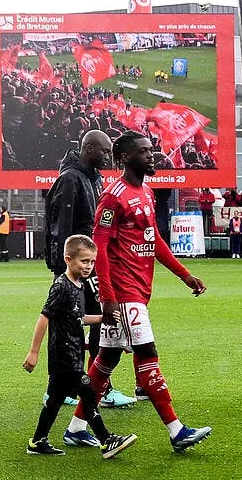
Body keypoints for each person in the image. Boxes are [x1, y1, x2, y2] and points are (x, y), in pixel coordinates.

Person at [65, 131, 212, 453]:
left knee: (106, 359)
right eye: (144, 152)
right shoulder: (113, 196)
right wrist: (107, 296)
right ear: (126, 157)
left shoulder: (145, 191)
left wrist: (184, 275)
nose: (152, 156)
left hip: (138, 289)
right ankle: (176, 430)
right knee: (147, 354)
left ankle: (76, 427)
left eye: (151, 150)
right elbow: (99, 248)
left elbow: (154, 239)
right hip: (122, 292)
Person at [43, 130, 134, 413]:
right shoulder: (71, 179)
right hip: (77, 268)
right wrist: (65, 271)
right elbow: (61, 227)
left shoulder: (92, 177)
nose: (108, 157)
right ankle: (94, 388)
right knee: (81, 324)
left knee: (83, 324)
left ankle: (70, 387)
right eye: (104, 152)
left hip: (88, 265)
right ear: (89, 149)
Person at [22, 234, 136, 458]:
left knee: (55, 400)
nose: (89, 266)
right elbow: (44, 317)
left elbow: (78, 318)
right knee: (88, 390)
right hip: (63, 354)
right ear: (68, 260)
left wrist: (103, 318)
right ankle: (106, 440)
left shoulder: (79, 285)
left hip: (73, 352)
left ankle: (37, 441)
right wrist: (33, 352)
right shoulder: (61, 287)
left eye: (92, 262)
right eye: (84, 261)